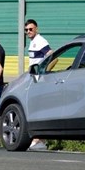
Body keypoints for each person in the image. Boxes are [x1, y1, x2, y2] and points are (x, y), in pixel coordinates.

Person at [25, 19, 52, 151]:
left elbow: (51, 56)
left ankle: (40, 140)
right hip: (34, 78)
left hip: (39, 79)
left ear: (36, 29)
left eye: (31, 29)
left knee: (39, 108)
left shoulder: (41, 41)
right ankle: (38, 139)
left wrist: (43, 71)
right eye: (26, 30)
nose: (28, 32)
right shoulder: (33, 42)